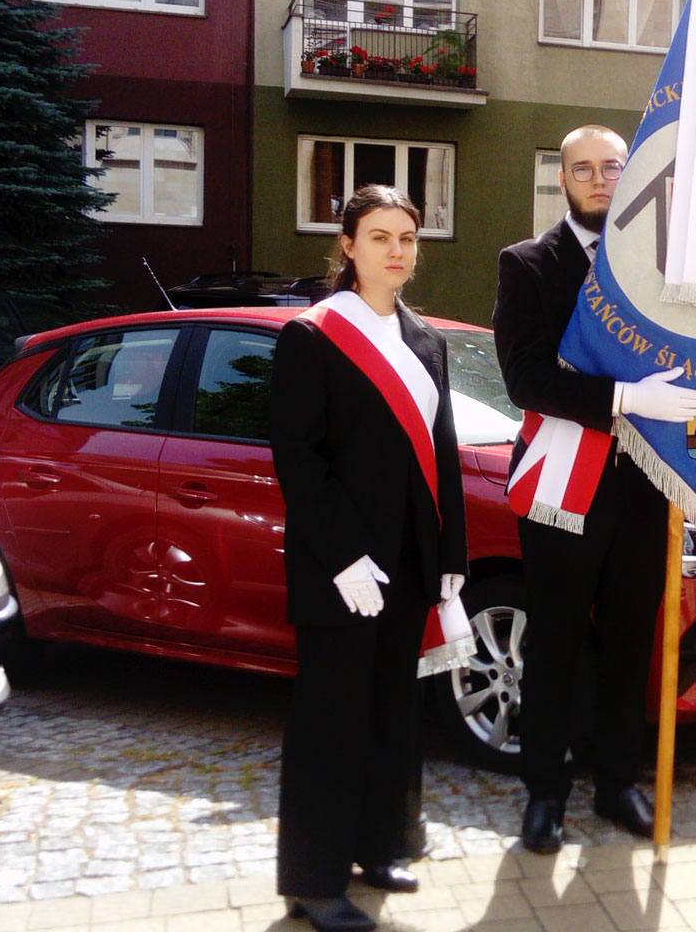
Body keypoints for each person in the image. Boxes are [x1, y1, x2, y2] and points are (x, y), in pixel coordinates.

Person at [493, 124, 696, 854]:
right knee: (553, 641)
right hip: (561, 480)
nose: (599, 180)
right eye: (582, 169)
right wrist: (623, 399)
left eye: (612, 167)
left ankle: (617, 783)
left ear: (630, 175)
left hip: (645, 485)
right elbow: (525, 378)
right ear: (563, 180)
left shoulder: (664, 270)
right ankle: (544, 793)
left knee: (629, 641)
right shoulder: (527, 264)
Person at [270, 185, 469, 932]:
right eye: (379, 237)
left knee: (394, 713)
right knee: (332, 721)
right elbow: (298, 458)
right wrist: (344, 555)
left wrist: (450, 552)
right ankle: (314, 881)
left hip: (410, 563)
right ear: (348, 246)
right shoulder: (313, 336)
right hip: (344, 570)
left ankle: (381, 846)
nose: (396, 251)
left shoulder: (426, 340)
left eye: (407, 238)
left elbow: (441, 451)